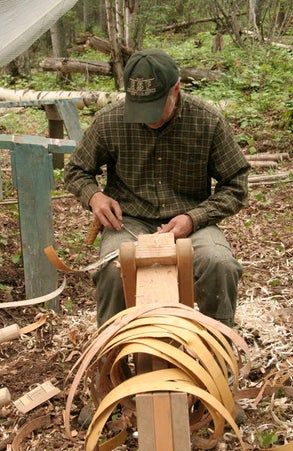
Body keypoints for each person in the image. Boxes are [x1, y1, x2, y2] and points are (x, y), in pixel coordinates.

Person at [64, 48, 250, 328]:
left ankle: (217, 345)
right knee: (112, 270)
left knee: (219, 264)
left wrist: (193, 218)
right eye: (140, 107)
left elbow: (236, 183)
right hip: (129, 221)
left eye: (154, 106)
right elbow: (76, 170)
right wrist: (95, 197)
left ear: (176, 89)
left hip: (192, 220)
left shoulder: (206, 120)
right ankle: (113, 352)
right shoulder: (110, 120)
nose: (147, 117)